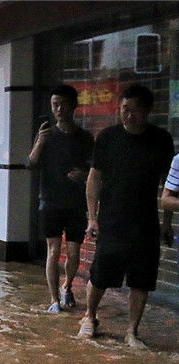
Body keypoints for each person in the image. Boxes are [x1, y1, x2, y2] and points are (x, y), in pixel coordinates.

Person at [79, 84, 175, 348]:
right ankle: (90, 316)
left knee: (141, 279)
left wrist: (166, 223)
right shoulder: (108, 137)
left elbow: (168, 184)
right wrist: (92, 217)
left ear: (148, 111)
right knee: (100, 273)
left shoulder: (161, 140)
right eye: (125, 109)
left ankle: (132, 331)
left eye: (135, 110)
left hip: (146, 220)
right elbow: (94, 178)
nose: (129, 115)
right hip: (112, 219)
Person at [27, 84, 94, 313]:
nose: (58, 109)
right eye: (54, 105)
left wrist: (84, 175)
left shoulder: (85, 138)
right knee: (53, 251)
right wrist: (39, 142)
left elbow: (96, 171)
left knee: (74, 252)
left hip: (76, 202)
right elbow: (30, 164)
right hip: (50, 200)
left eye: (63, 105)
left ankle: (67, 286)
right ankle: (54, 299)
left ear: (74, 106)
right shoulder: (46, 135)